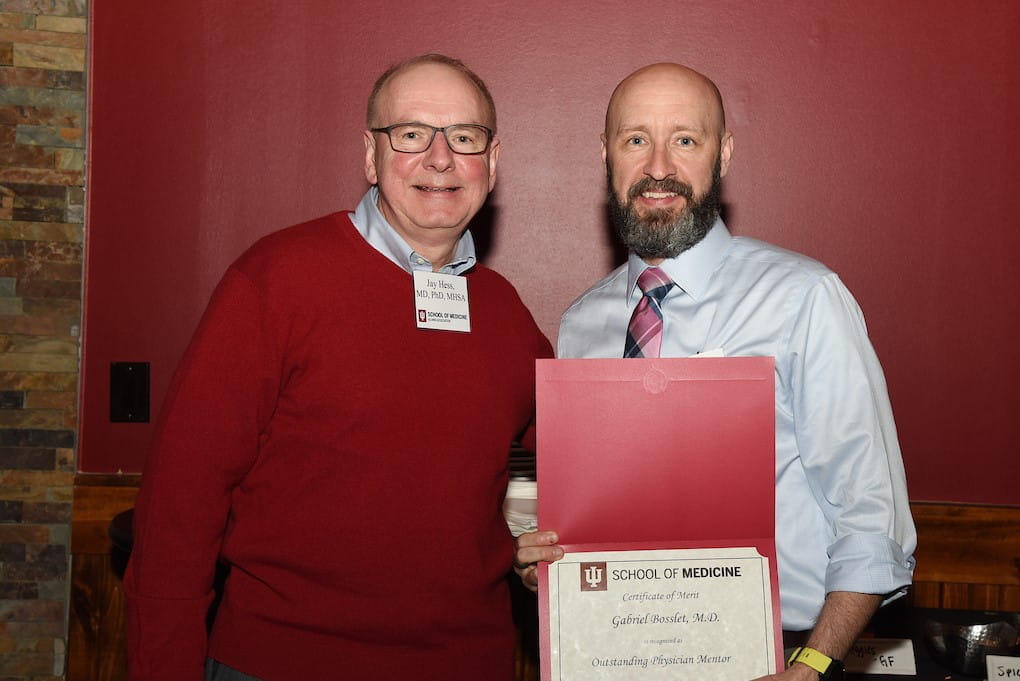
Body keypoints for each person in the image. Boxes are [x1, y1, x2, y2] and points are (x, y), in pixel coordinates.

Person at [125, 53, 551, 681]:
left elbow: (588, 457)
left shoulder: (507, 314)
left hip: (466, 663)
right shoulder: (275, 281)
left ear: (490, 162)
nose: (440, 158)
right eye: (409, 134)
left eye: (464, 137)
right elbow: (178, 507)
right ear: (371, 156)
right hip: (279, 663)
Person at [515, 62, 916, 681]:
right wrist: (547, 558)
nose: (657, 167)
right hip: (611, 653)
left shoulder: (804, 298)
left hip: (776, 659)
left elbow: (872, 514)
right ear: (605, 155)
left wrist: (811, 665)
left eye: (685, 139)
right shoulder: (581, 324)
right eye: (635, 140)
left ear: (722, 153)